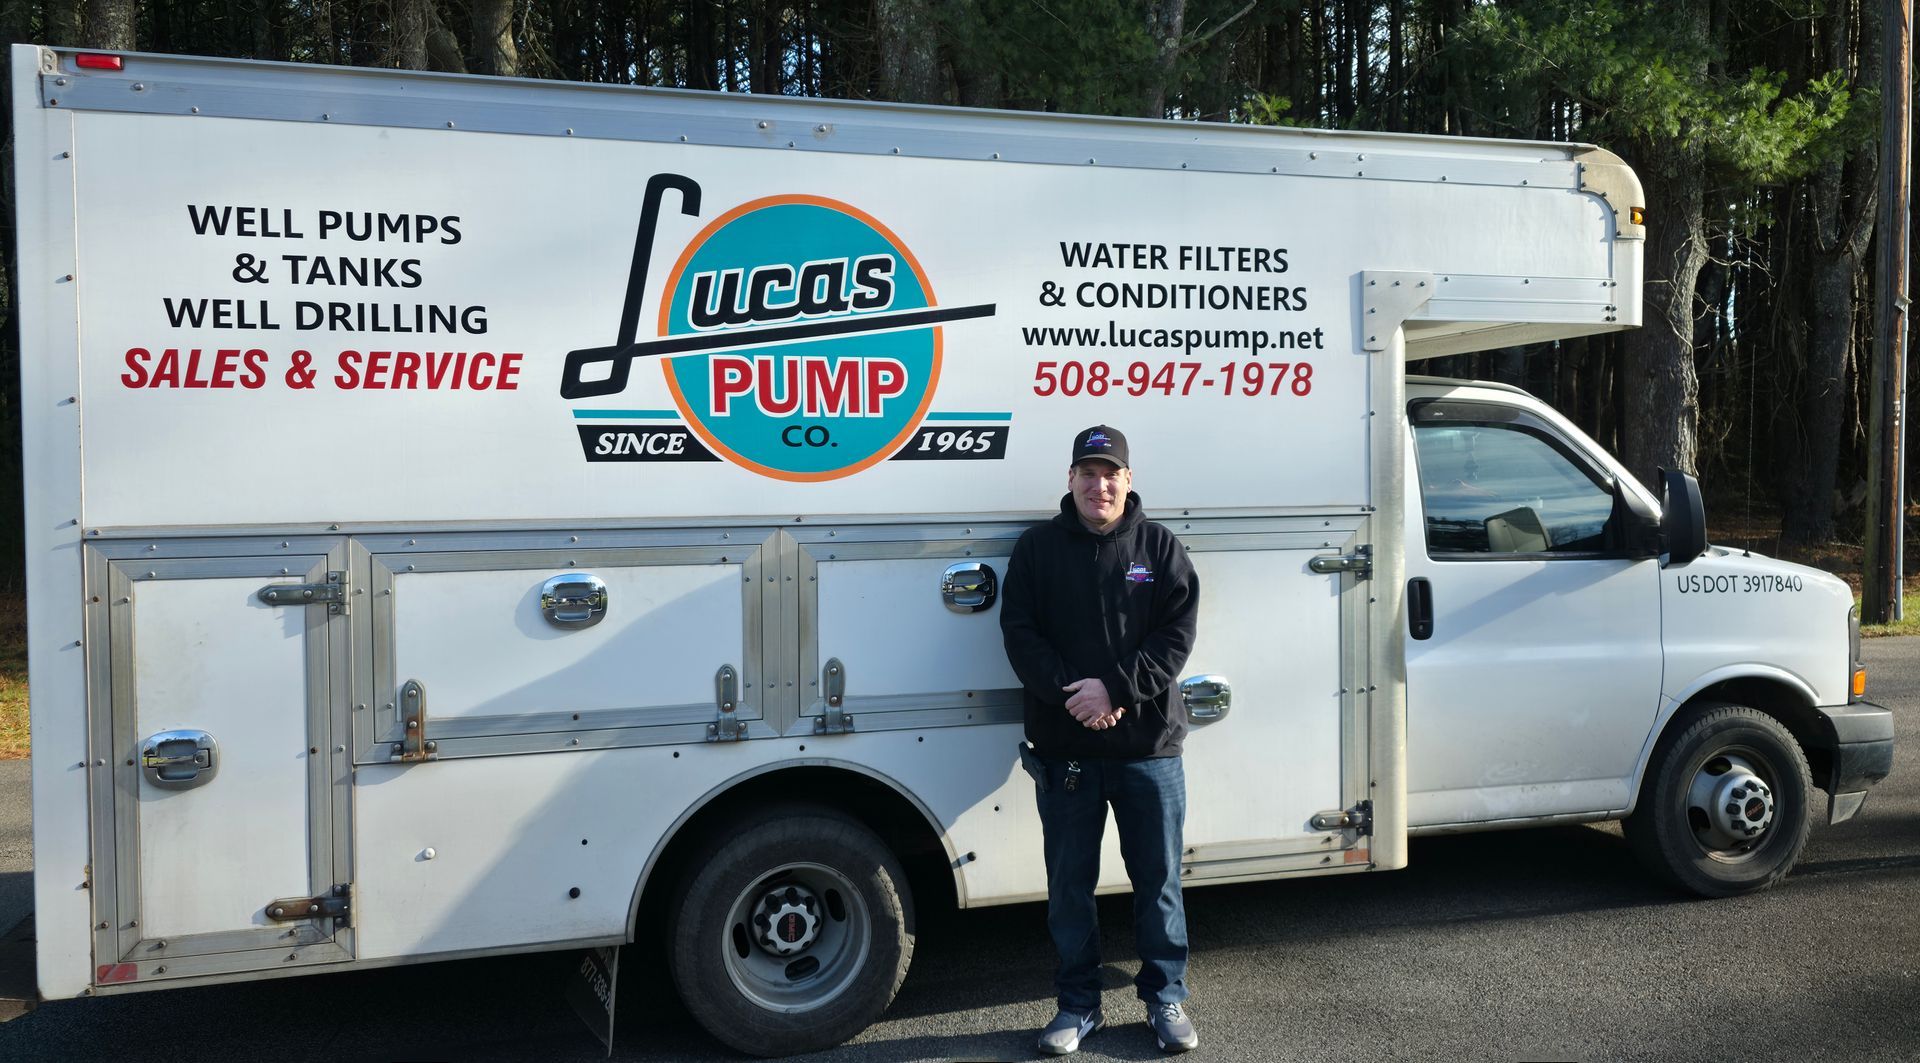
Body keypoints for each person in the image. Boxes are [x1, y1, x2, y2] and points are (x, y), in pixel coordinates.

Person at [1000, 424, 1201, 1055]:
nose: (1100, 484)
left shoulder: (1159, 547)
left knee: (1159, 881)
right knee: (1069, 887)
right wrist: (1077, 697)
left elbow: (1176, 635)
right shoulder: (1037, 549)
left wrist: (1114, 690)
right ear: (1070, 480)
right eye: (1088, 473)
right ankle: (1077, 1006)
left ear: (1128, 481)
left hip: (1148, 749)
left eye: (1111, 472)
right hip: (1067, 749)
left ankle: (1164, 998)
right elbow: (1020, 634)